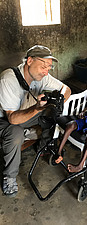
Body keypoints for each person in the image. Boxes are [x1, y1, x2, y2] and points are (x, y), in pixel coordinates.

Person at [0, 45, 71, 197]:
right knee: (16, 134)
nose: (46, 71)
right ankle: (10, 177)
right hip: (5, 120)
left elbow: (66, 88)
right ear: (30, 61)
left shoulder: (41, 77)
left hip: (23, 114)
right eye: (43, 66)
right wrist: (37, 108)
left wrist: (59, 101)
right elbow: (12, 118)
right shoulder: (9, 79)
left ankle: (44, 145)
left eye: (49, 67)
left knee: (53, 114)